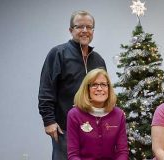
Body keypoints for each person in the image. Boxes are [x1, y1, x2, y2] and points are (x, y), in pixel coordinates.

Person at [38, 10, 106, 160]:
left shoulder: (98, 60)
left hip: (94, 128)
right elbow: (46, 90)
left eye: (89, 27)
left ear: (93, 31)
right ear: (71, 30)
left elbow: (104, 92)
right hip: (65, 129)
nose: (84, 31)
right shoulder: (58, 54)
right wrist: (49, 121)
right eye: (79, 27)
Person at [67, 68, 128, 160]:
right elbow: (73, 154)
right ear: (87, 89)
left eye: (103, 84)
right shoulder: (74, 114)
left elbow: (122, 152)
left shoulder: (118, 114)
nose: (99, 89)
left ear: (108, 88)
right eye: (94, 85)